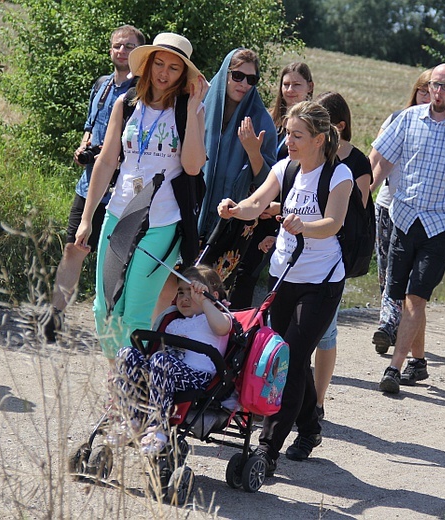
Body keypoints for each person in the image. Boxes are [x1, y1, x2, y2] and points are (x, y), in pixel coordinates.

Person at [217, 101, 352, 475]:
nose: (288, 141)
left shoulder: (337, 175)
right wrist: (233, 208)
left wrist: (302, 227)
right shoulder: (285, 168)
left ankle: (267, 450)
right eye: (287, 134)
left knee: (286, 359)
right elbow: (256, 203)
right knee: (287, 355)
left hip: (321, 282)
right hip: (284, 277)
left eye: (297, 135)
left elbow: (333, 223)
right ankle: (309, 428)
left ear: (319, 139)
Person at [74, 32, 209, 361]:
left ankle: (133, 398)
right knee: (103, 309)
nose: (164, 73)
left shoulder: (189, 110)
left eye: (174, 68)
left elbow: (192, 166)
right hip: (118, 213)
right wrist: (87, 218)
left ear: (183, 75)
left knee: (135, 314)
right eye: (159, 64)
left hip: (163, 221)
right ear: (147, 65)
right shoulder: (127, 102)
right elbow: (106, 161)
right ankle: (119, 389)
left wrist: (192, 109)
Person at [370, 63, 445, 394]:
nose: (439, 92)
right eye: (435, 85)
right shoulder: (407, 119)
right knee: (400, 296)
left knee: (415, 296)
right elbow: (380, 161)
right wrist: (358, 198)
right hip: (404, 218)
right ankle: (419, 361)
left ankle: (394, 368)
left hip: (441, 222)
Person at [40, 25, 145, 342]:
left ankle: (113, 326)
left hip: (123, 194)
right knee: (73, 249)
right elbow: (90, 127)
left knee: (117, 259)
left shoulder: (144, 92)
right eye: (116, 46)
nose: (121, 51)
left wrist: (106, 153)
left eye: (129, 46)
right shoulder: (101, 86)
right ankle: (54, 317)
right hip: (89, 188)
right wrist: (84, 147)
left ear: (139, 52)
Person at [109, 265, 232, 455]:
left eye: (191, 292)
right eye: (181, 292)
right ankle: (130, 418)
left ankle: (158, 427)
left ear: (212, 295)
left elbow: (223, 328)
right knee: (127, 353)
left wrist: (207, 302)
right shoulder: (174, 322)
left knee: (161, 360)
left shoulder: (217, 317)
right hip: (163, 373)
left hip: (196, 378)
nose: (184, 298)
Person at [229, 62, 315, 309]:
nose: (290, 90)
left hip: (290, 214)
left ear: (310, 87)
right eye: (285, 84)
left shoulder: (313, 128)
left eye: (296, 84)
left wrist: (279, 206)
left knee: (258, 274)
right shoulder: (271, 121)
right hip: (259, 207)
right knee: (242, 271)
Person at [198, 48, 278, 302]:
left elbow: (269, 184)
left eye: (251, 79)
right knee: (178, 289)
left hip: (234, 221)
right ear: (224, 74)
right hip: (191, 211)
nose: (243, 84)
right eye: (237, 76)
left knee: (209, 294)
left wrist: (254, 152)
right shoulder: (201, 106)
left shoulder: (261, 120)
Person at [312, 91, 372, 420]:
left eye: (320, 121)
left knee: (326, 330)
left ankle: (318, 401)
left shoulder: (357, 162)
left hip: (335, 254)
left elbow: (357, 211)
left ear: (339, 125)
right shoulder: (302, 154)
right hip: (299, 251)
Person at [371, 68, 431, 354]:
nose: (427, 96)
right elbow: (376, 160)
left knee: (410, 281)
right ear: (415, 92)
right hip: (387, 206)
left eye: (433, 91)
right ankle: (388, 324)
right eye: (423, 89)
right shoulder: (396, 119)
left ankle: (392, 325)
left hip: (421, 215)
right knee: (387, 273)